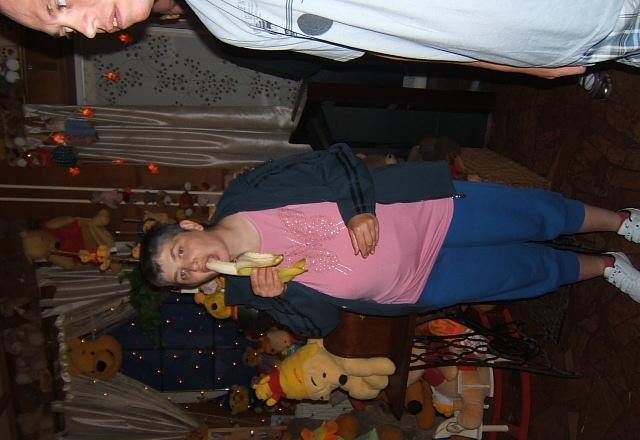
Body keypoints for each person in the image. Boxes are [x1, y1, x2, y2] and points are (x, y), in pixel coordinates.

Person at [139, 143, 640, 338]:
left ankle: (619, 220)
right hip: (416, 285)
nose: (195, 266)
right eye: (183, 275)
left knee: (534, 216)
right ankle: (607, 266)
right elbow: (323, 324)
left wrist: (358, 209)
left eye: (182, 253)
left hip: (425, 212)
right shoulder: (248, 291)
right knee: (521, 274)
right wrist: (282, 296)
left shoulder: (250, 191)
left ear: (190, 229)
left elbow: (334, 160)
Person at [1, 0, 640, 81]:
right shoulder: (224, 27)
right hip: (569, 42)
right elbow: (380, 45)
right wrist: (523, 68)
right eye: (61, 31)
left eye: (61, 4)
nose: (86, 29)